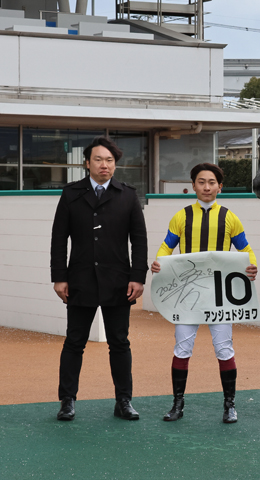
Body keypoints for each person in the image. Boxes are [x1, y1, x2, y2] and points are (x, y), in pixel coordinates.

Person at [150, 163, 257, 424]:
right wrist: (158, 263)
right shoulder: (181, 217)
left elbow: (246, 250)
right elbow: (166, 247)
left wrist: (251, 266)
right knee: (182, 348)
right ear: (193, 185)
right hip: (187, 295)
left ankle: (230, 405)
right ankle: (177, 404)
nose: (206, 187)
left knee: (224, 349)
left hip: (220, 295)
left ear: (220, 187)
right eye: (201, 182)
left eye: (211, 182)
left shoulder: (230, 217)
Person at [51, 136, 148, 421]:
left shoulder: (127, 195)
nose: (104, 165)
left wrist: (137, 277)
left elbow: (139, 240)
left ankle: (124, 401)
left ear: (115, 165)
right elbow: (59, 239)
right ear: (87, 163)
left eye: (109, 160)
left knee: (119, 342)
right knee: (74, 341)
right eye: (98, 159)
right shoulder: (71, 194)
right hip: (79, 280)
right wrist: (59, 277)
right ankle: (67, 400)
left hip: (118, 281)